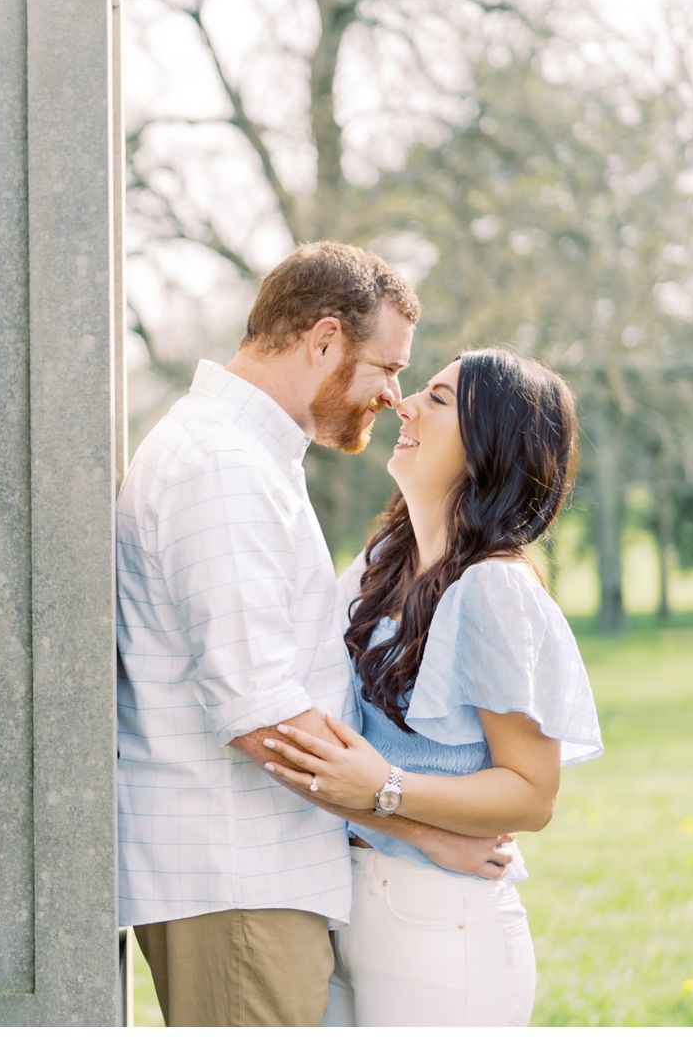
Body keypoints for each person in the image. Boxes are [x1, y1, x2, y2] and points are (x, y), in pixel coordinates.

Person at [117, 243, 520, 1028]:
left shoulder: (249, 457)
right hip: (237, 879)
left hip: (258, 875)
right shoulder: (221, 466)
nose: (393, 397)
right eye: (387, 369)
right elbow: (258, 711)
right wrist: (419, 831)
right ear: (324, 341)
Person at [260, 348, 604, 1026]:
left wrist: (387, 790)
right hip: (347, 907)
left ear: (489, 449)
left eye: (438, 400)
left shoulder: (494, 589)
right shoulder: (380, 564)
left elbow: (531, 795)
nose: (402, 404)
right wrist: (408, 821)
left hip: (443, 929)